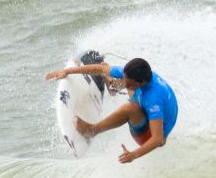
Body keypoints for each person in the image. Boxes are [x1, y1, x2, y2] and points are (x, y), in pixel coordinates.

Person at [45, 57, 178, 163]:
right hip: (145, 108)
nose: (125, 83)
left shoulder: (154, 99)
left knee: (130, 108)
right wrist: (68, 71)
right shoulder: (137, 75)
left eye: (129, 82)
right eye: (125, 78)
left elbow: (158, 139)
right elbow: (101, 68)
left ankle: (92, 131)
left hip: (149, 135)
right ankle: (113, 86)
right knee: (115, 75)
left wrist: (133, 155)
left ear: (143, 81)